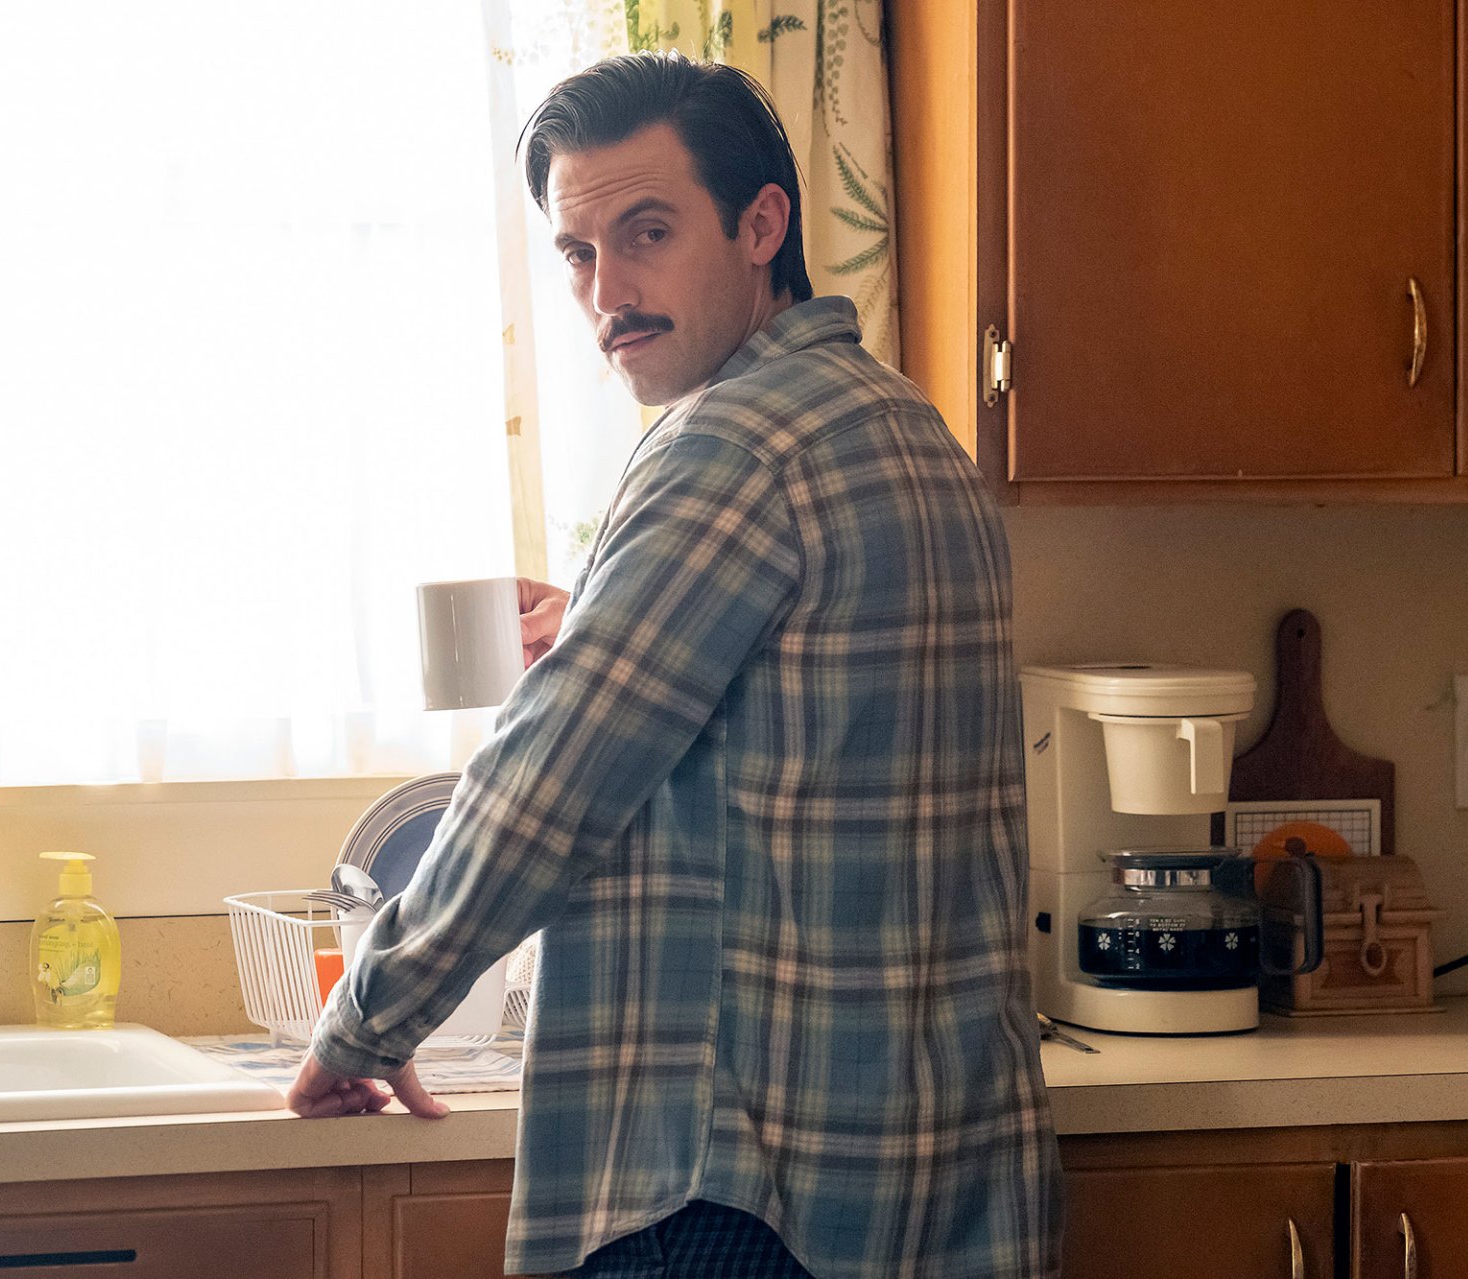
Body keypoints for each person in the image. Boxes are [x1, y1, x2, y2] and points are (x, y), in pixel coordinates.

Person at [288, 51, 1060, 1279]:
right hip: (922, 1182)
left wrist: (367, 1015)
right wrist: (603, 619)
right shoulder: (904, 427)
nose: (609, 291)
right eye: (577, 253)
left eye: (647, 233)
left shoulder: (731, 444)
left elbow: (545, 784)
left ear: (762, 225)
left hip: (730, 1193)